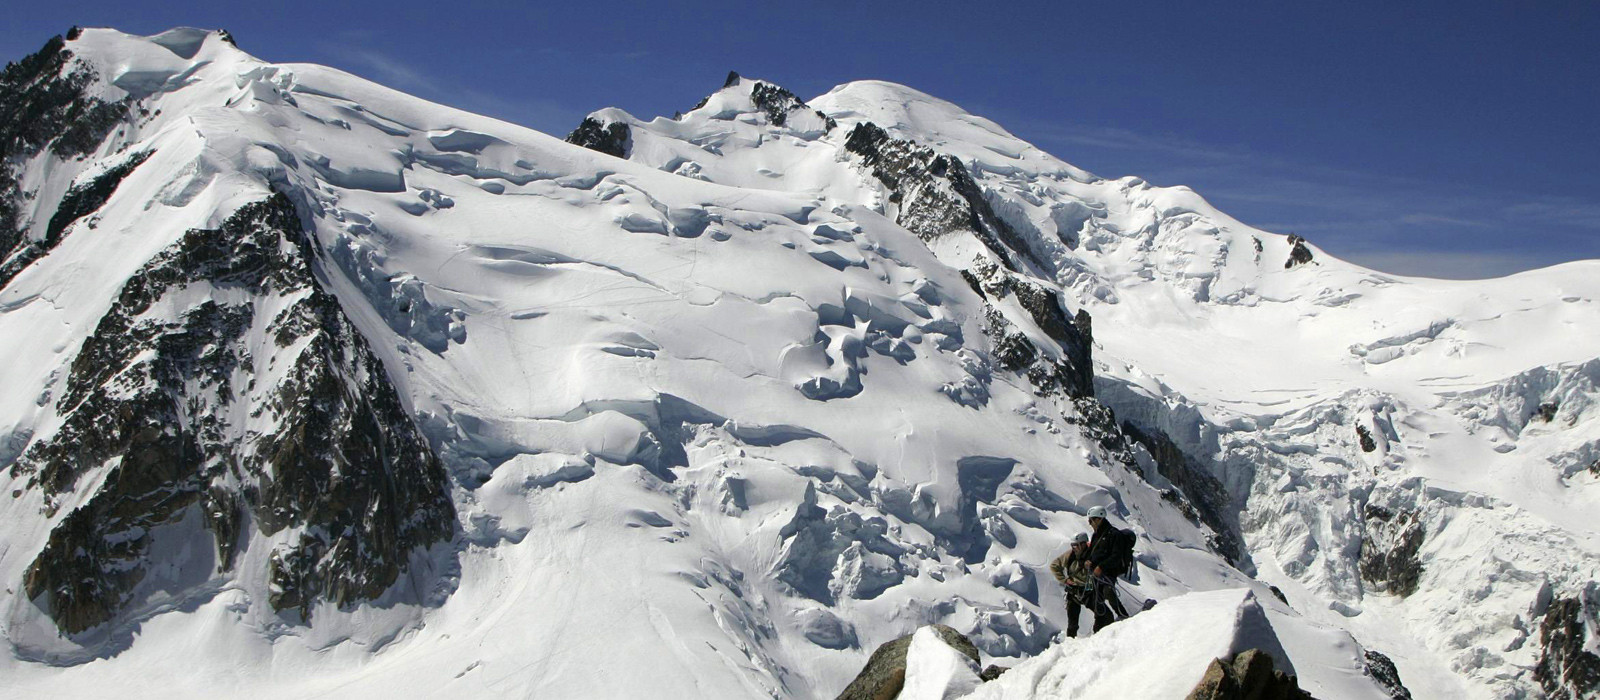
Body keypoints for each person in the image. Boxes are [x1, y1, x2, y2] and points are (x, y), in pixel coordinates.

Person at [1049, 531, 1111, 637]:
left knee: (1104, 616)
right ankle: (1071, 643)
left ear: (1083, 544)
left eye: (1076, 545)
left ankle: (1098, 637)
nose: (1074, 548)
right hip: (1074, 592)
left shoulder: (1093, 555)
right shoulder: (1070, 555)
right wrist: (1064, 580)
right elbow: (1054, 565)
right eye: (1073, 545)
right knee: (1073, 624)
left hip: (1089, 591)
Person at [1085, 506, 1131, 624]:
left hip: (1109, 572)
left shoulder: (1114, 535)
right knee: (1096, 598)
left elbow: (1116, 556)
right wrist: (1089, 561)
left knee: (1108, 592)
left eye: (1091, 520)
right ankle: (1101, 624)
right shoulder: (1096, 535)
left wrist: (1101, 566)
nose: (1090, 523)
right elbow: (1093, 553)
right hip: (1095, 572)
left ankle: (1123, 615)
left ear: (1099, 519)